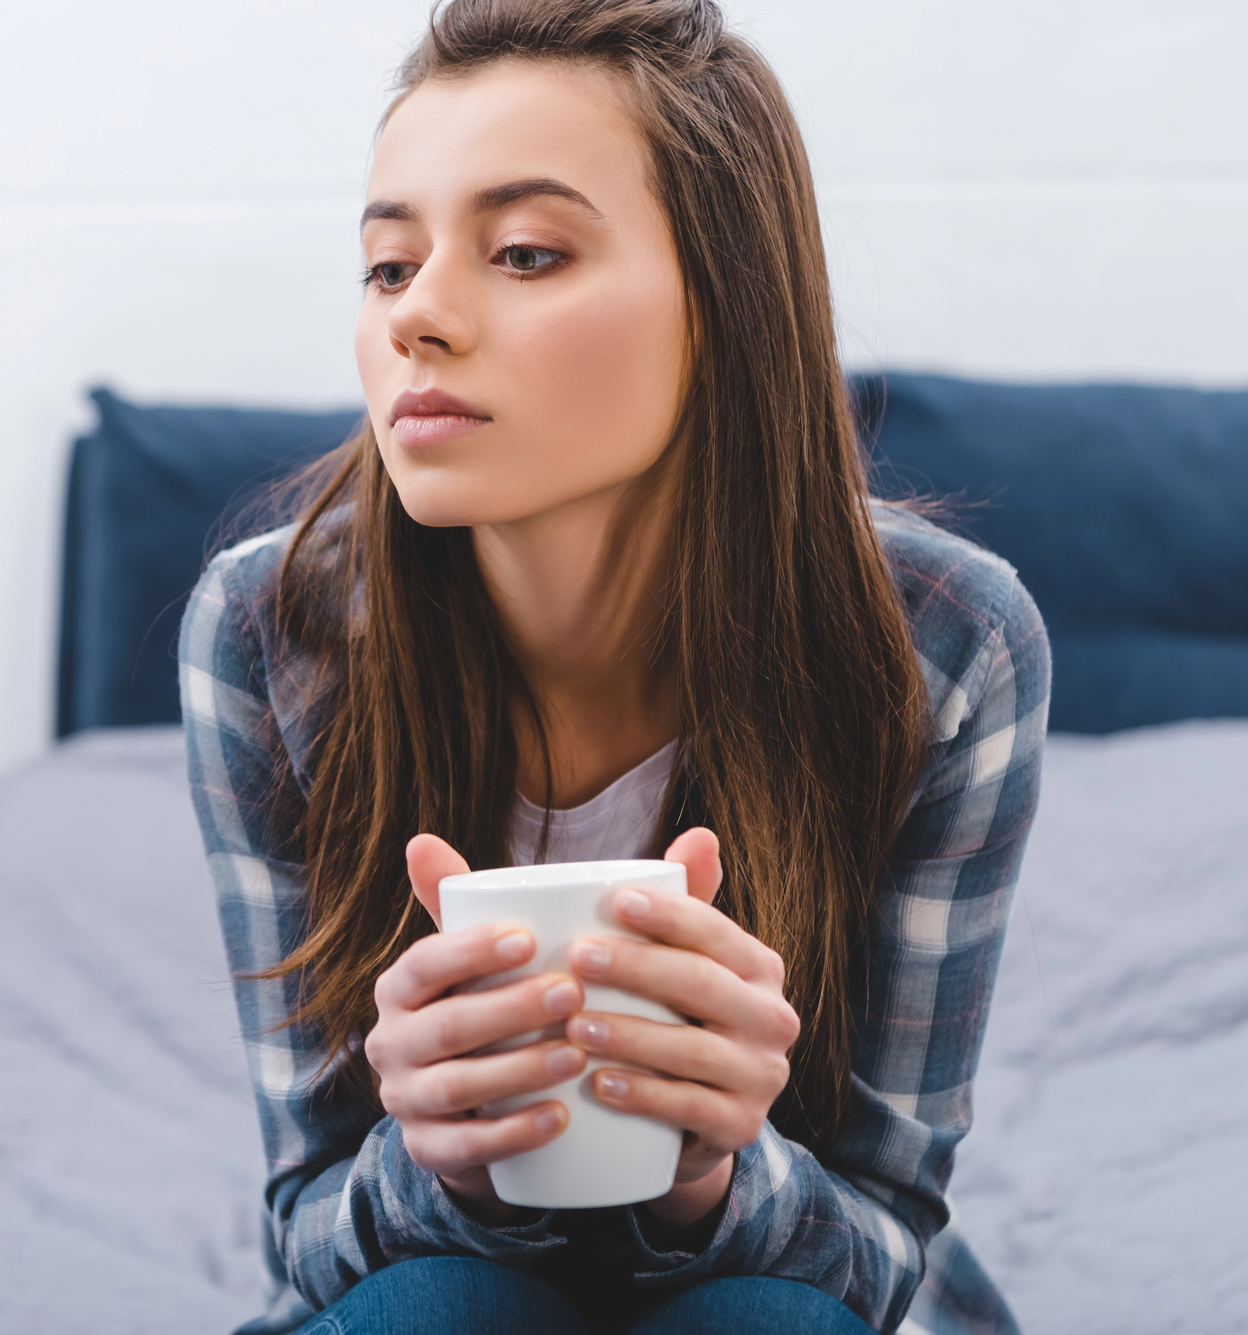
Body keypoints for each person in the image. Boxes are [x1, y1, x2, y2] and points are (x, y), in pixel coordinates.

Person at [179, 1, 1047, 1332]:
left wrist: (712, 1167)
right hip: (425, 1288)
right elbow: (307, 1228)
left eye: (525, 252)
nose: (421, 319)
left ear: (726, 300)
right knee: (435, 1308)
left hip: (781, 1292)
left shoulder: (947, 641)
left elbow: (880, 1242)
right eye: (388, 266)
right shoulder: (268, 631)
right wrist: (440, 1156)